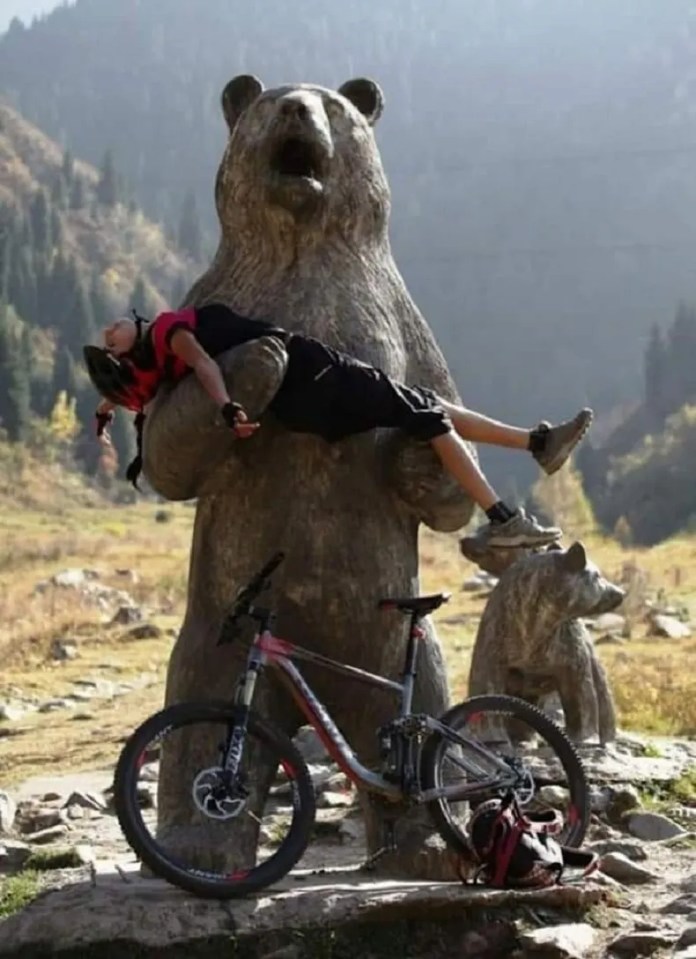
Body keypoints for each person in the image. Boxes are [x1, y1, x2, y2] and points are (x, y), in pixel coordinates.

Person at [83, 303, 593, 548]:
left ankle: (536, 442)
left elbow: (134, 393)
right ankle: (501, 519)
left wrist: (105, 410)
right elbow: (205, 367)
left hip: (303, 404)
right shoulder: (168, 334)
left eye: (111, 330)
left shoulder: (153, 373)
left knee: (423, 402)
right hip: (312, 373)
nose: (111, 328)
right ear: (128, 351)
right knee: (430, 418)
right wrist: (227, 408)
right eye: (111, 339)